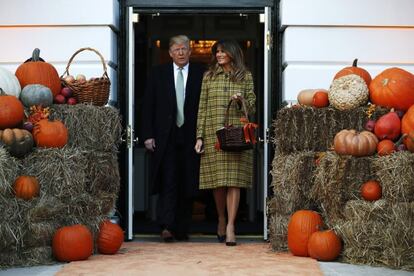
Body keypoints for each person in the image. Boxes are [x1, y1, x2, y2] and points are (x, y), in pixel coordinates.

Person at [140, 35, 205, 242]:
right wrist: (147, 135)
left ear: (190, 50)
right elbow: (148, 105)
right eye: (176, 49)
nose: (181, 52)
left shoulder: (200, 73)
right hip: (164, 136)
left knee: (187, 180)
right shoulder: (158, 74)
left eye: (184, 48)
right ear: (169, 52)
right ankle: (166, 226)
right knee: (168, 180)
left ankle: (182, 227)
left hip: (191, 135)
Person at [194, 40, 256, 246]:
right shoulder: (209, 77)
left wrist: (241, 101)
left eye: (222, 51)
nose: (219, 55)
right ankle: (221, 217)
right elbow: (202, 108)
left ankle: (231, 225)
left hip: (237, 136)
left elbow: (253, 106)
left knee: (234, 181)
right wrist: (199, 137)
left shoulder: (245, 76)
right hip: (214, 135)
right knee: (218, 183)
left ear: (232, 53)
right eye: (217, 52)